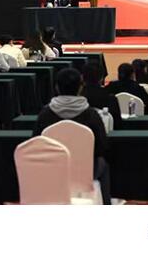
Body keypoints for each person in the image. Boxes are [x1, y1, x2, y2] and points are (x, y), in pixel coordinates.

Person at [33, 68, 111, 204]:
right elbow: (102, 147)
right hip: (86, 172)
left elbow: (35, 143)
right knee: (103, 164)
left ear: (57, 87)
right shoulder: (91, 115)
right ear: (80, 87)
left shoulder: (45, 114)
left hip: (51, 170)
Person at [81, 60, 122, 130]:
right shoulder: (111, 98)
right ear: (101, 78)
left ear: (82, 77)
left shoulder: (78, 98)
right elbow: (118, 126)